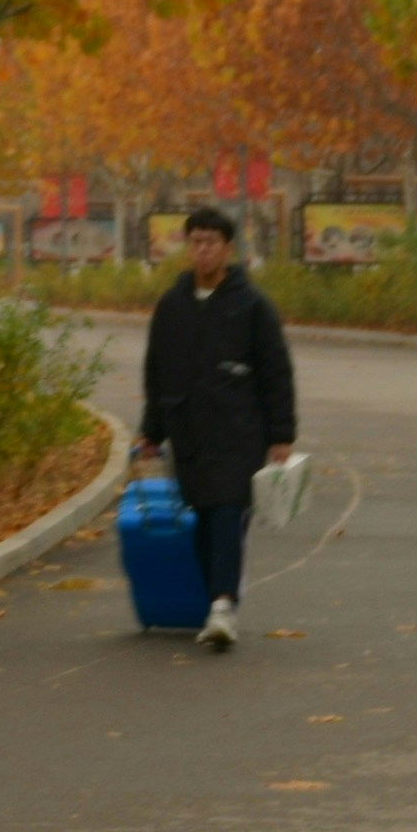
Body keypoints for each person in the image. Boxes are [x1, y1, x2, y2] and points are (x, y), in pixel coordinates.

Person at [136, 203, 297, 652]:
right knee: (204, 521)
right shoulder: (172, 306)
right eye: (195, 242)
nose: (203, 251)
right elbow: (157, 370)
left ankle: (223, 604)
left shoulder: (252, 306)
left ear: (228, 249)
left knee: (228, 511)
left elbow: (276, 371)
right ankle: (215, 601)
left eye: (211, 242)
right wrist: (151, 431)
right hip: (188, 431)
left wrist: (281, 435)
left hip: (238, 432)